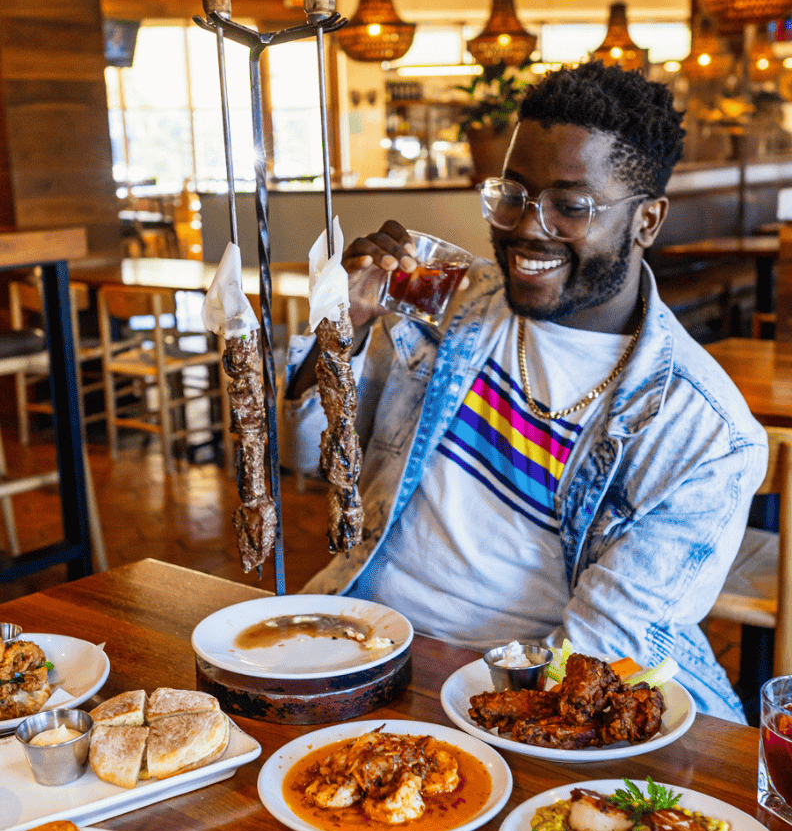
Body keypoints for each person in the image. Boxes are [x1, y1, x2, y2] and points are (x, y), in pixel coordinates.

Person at [283, 60, 767, 723]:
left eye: (570, 206)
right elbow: (302, 451)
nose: (525, 227)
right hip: (365, 640)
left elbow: (598, 659)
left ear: (647, 221)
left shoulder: (703, 433)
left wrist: (455, 708)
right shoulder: (448, 292)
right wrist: (341, 327)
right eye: (513, 193)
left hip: (526, 696)